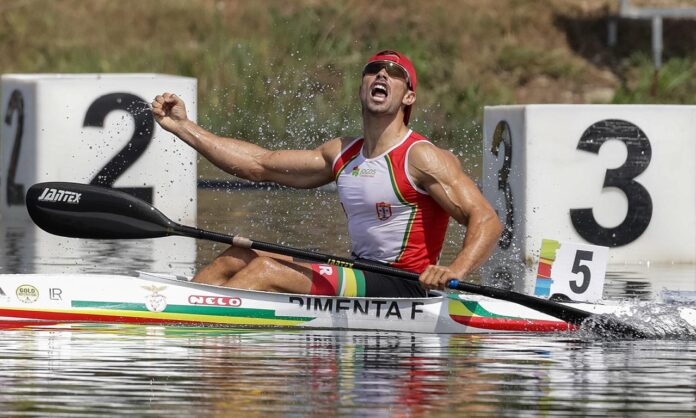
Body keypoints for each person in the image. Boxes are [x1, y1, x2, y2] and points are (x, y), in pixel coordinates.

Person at [151, 49, 503, 298]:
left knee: (265, 271)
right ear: (362, 87)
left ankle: (194, 322)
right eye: (374, 69)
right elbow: (259, 164)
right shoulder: (343, 153)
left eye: (395, 73)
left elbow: (486, 219)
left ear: (409, 97)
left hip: (405, 283)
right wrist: (183, 127)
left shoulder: (420, 157)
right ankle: (178, 307)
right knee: (236, 257)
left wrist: (455, 270)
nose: (382, 74)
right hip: (361, 271)